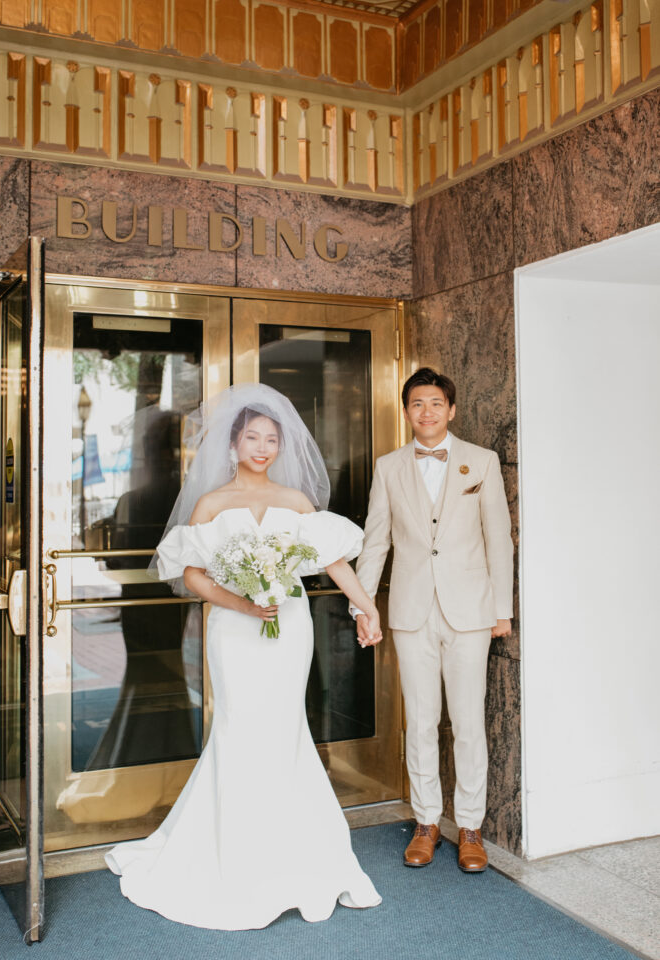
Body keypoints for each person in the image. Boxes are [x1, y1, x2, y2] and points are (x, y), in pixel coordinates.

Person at [106, 383, 383, 930]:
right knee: (238, 728)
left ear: (282, 447)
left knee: (285, 728)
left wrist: (366, 608)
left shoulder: (296, 501)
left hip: (291, 625)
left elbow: (333, 562)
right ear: (232, 445)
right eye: (252, 437)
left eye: (271, 439)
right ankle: (234, 858)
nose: (262, 446)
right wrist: (241, 601)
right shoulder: (212, 504)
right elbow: (190, 575)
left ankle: (294, 853)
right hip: (235, 630)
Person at [352, 368, 513, 873]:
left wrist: (501, 610)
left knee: (468, 724)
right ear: (406, 411)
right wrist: (363, 604)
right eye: (417, 403)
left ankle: (470, 828)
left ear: (452, 409)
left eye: (436, 403)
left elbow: (499, 541)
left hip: (471, 612)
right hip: (410, 610)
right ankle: (426, 822)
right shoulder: (388, 467)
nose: (427, 412)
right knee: (420, 722)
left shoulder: (482, 461)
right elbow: (376, 539)